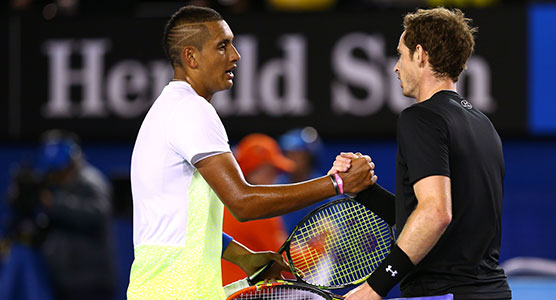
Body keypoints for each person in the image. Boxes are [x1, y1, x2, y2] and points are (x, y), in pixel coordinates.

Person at [127, 5, 376, 299]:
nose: (235, 55)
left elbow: (180, 231)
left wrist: (245, 257)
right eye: (222, 46)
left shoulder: (167, 110)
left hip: (157, 289)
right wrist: (337, 183)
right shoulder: (192, 110)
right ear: (190, 57)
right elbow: (243, 203)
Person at [332, 8, 511, 300]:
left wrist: (373, 288)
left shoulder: (421, 118)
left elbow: (436, 214)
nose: (395, 67)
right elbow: (431, 221)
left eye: (400, 55)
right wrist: (362, 191)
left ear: (420, 54)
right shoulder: (483, 124)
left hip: (443, 294)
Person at [35, 130, 116, 300]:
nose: (57, 174)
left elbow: (97, 214)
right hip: (63, 281)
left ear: (71, 163)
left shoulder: (91, 181)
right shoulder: (53, 185)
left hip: (92, 282)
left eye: (61, 169)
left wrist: (54, 205)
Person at [221, 133, 291, 285]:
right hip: (244, 293)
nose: (276, 178)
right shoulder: (259, 208)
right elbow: (286, 264)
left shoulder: (220, 200)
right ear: (257, 170)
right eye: (272, 171)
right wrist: (321, 245)